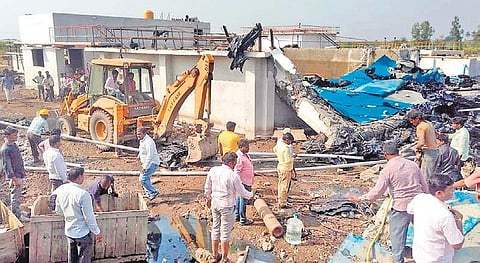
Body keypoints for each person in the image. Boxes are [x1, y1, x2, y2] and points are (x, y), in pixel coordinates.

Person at [349, 141, 427, 263]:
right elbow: (424, 185)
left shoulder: (387, 170)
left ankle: (398, 260)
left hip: (401, 207)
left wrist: (362, 198)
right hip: (418, 203)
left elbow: (377, 192)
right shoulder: (412, 165)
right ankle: (425, 257)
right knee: (424, 232)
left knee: (397, 238)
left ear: (385, 154)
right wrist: (428, 200)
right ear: (398, 151)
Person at [204, 152, 253, 263]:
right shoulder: (233, 175)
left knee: (215, 229)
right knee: (225, 232)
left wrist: (208, 198)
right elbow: (242, 192)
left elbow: (207, 187)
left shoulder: (213, 170)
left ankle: (215, 255)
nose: (236, 164)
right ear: (231, 163)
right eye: (235, 162)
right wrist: (252, 195)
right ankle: (225, 259)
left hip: (215, 203)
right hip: (226, 206)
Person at [407, 174, 464, 262]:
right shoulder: (445, 216)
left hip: (420, 255)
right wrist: (459, 222)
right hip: (438, 259)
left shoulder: (420, 199)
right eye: (451, 189)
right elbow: (457, 244)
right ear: (439, 193)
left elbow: (409, 210)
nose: (453, 191)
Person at [51, 167, 102, 263]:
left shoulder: (60, 190)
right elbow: (89, 217)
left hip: (69, 231)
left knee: (72, 258)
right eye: (83, 176)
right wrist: (97, 232)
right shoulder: (83, 194)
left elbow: (55, 207)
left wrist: (67, 214)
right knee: (84, 258)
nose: (84, 178)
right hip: (82, 232)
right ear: (79, 177)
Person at [0, 127, 29, 222]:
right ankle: (16, 215)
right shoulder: (5, 149)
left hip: (19, 174)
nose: (16, 137)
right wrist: (14, 178)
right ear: (7, 136)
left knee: (18, 195)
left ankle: (18, 211)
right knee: (15, 196)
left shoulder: (13, 145)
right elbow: (7, 166)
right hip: (15, 176)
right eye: (14, 135)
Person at [234, 139, 260, 226]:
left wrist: (252, 173)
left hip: (246, 181)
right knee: (243, 200)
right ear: (241, 147)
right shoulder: (239, 157)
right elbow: (237, 171)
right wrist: (239, 183)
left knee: (239, 198)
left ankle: (237, 215)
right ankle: (243, 219)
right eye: (246, 147)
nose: (248, 148)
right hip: (243, 182)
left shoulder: (245, 155)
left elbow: (246, 168)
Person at [407, 109, 439, 179]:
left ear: (417, 119)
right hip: (435, 151)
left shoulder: (420, 127)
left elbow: (421, 142)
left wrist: (417, 148)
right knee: (431, 174)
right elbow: (437, 135)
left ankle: (425, 189)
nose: (411, 122)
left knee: (425, 176)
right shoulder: (428, 123)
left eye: (412, 120)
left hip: (429, 153)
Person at [273, 132, 296, 209]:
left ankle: (281, 200)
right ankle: (282, 203)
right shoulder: (285, 149)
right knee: (284, 187)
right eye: (289, 141)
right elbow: (288, 160)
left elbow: (274, 149)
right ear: (286, 140)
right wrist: (293, 157)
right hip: (286, 168)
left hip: (280, 166)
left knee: (280, 185)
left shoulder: (279, 144)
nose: (290, 143)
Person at [136, 127, 160, 200]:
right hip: (146, 163)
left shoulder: (149, 142)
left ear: (144, 133)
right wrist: (138, 156)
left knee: (142, 179)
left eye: (139, 134)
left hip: (152, 163)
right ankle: (149, 193)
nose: (138, 136)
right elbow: (142, 150)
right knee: (146, 178)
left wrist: (145, 167)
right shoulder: (142, 140)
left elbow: (150, 155)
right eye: (137, 134)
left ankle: (153, 192)